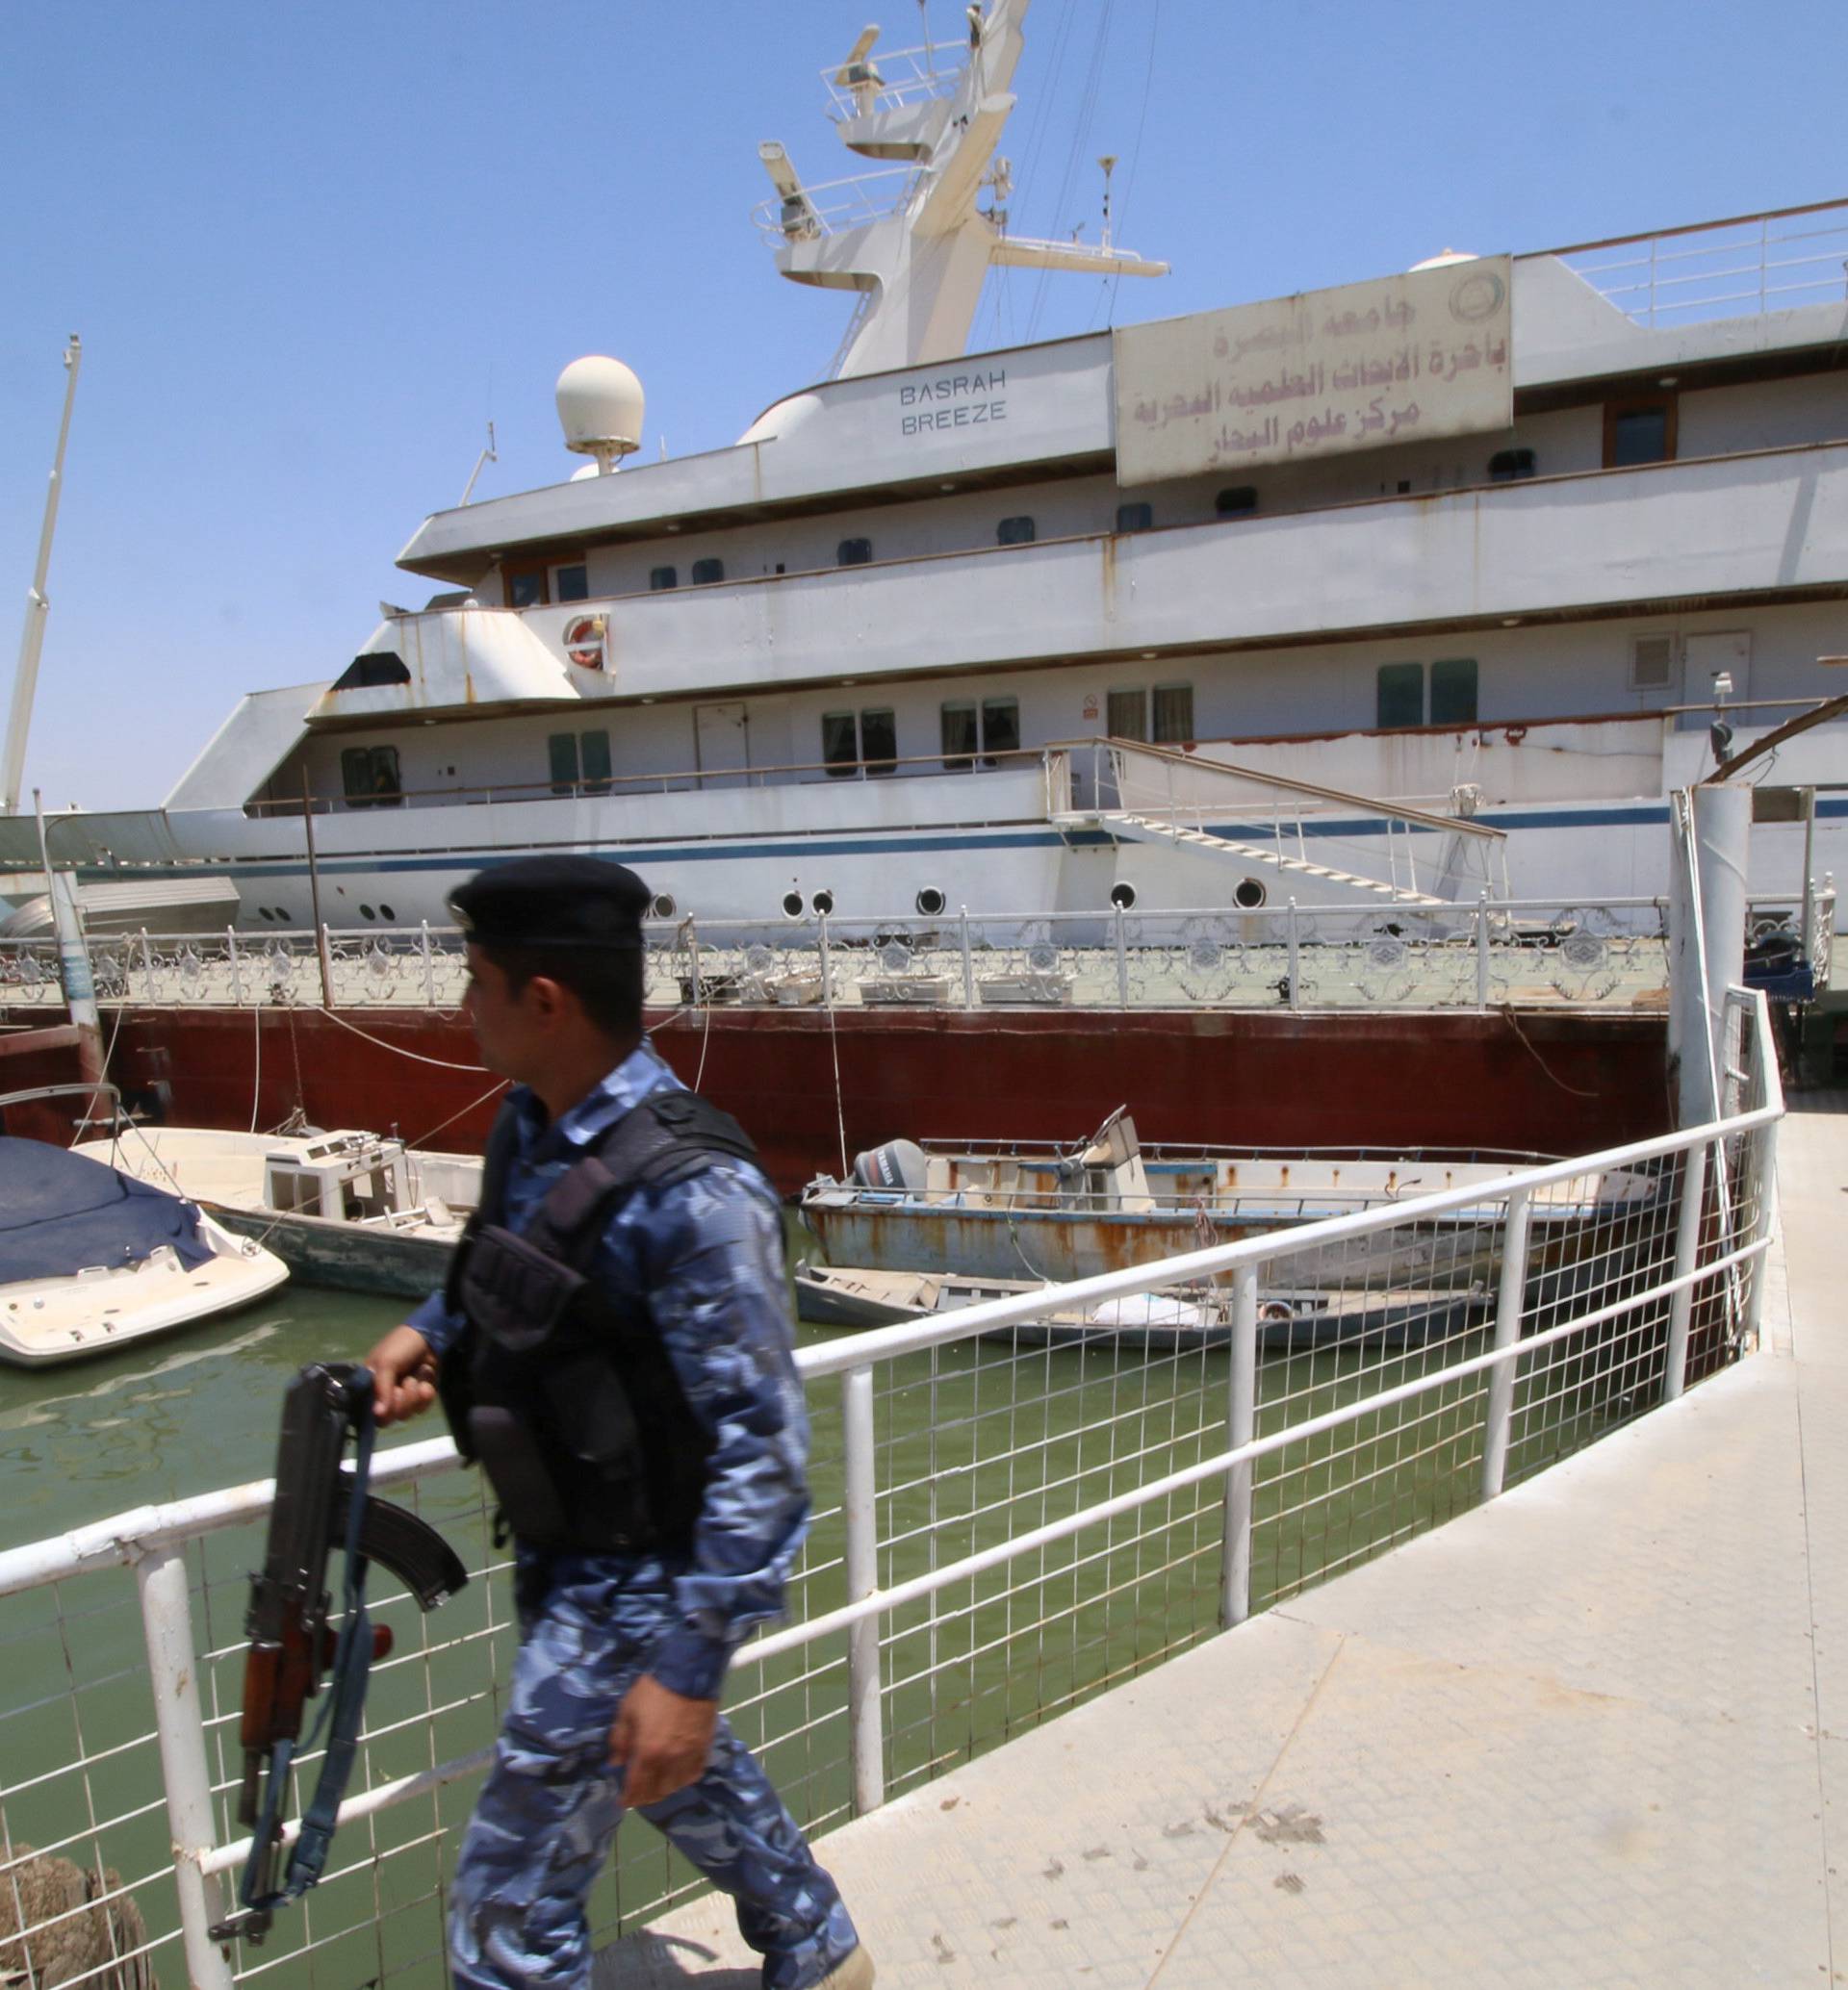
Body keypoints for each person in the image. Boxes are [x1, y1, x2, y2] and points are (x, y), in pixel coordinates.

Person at [365, 855, 870, 1990]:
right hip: (562, 1543)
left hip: (636, 1584)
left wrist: (689, 1670)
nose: (462, 1005)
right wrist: (432, 1331)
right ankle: (819, 1945)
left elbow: (766, 1455)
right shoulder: (530, 1125)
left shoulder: (693, 1195)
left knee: (506, 1919)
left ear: (543, 1000)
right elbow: (514, 1267)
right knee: (678, 1773)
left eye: (476, 980)